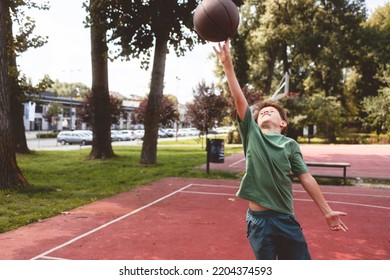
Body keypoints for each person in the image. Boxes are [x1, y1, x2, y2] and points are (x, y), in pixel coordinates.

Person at [214, 40, 348, 260]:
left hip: (285, 219)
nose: (264, 112)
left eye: (270, 111)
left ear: (283, 124)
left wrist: (327, 211)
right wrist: (228, 65)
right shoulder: (252, 134)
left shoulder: (290, 145)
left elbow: (306, 178)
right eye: (261, 113)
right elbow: (239, 100)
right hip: (258, 221)